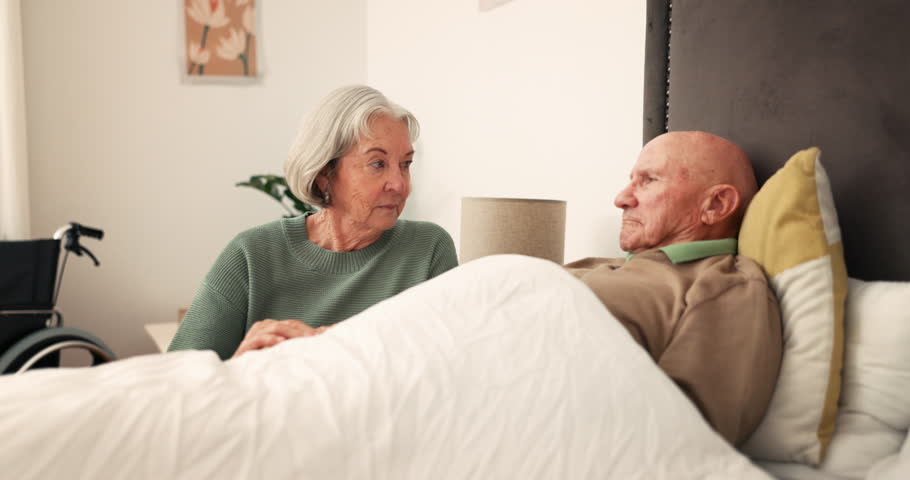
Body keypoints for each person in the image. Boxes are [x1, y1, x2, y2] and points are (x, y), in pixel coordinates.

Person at [169, 85, 459, 360]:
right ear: (324, 173)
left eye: (405, 164)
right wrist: (241, 366)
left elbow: (449, 366)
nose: (399, 184)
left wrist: (329, 342)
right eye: (377, 164)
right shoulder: (252, 255)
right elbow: (177, 378)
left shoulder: (428, 249)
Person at [564, 131, 782, 446]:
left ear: (716, 204)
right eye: (631, 180)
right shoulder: (597, 264)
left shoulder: (723, 284)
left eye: (649, 180)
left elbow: (688, 435)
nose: (621, 198)